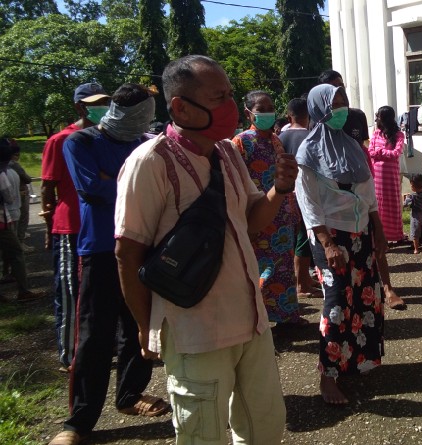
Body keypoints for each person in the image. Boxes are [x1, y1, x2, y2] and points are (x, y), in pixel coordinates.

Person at [115, 55, 291, 444]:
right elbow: (127, 254)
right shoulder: (149, 162)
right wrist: (145, 328)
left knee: (264, 427)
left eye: (231, 95)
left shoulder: (227, 153)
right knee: (202, 435)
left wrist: (280, 188)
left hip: (252, 321)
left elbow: (250, 219)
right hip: (195, 333)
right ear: (180, 107)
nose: (231, 106)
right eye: (219, 97)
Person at [48, 84, 167, 445]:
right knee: (94, 337)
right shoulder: (80, 142)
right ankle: (78, 423)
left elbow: (157, 188)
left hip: (145, 247)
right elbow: (90, 189)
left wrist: (114, 180)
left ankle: (131, 396)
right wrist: (134, 185)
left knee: (140, 329)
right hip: (100, 250)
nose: (142, 121)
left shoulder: (148, 142)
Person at [294, 83, 387, 405]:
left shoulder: (351, 145)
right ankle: (327, 376)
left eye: (344, 102)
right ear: (319, 108)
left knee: (365, 299)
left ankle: (355, 361)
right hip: (330, 235)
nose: (341, 109)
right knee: (336, 303)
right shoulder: (308, 150)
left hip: (360, 234)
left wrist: (378, 230)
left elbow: (368, 194)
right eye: (334, 104)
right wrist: (327, 243)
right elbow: (307, 203)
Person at [319, 69, 406, 310]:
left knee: (375, 241)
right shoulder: (316, 122)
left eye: (342, 87)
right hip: (332, 195)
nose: (341, 94)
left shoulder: (356, 116)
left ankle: (387, 288)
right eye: (333, 88)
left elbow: (365, 149)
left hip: (362, 187)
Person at [41, 82, 109, 371]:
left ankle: (101, 348)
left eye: (105, 102)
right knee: (71, 293)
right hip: (70, 227)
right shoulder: (61, 140)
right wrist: (48, 228)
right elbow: (47, 188)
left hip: (102, 226)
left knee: (101, 293)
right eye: (94, 103)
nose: (102, 108)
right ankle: (70, 355)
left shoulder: (105, 138)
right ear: (80, 107)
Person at [232, 90, 307, 326]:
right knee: (261, 272)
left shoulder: (276, 139)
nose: (268, 113)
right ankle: (258, 322)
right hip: (258, 217)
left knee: (283, 269)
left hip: (282, 216)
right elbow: (236, 183)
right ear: (248, 113)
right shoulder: (241, 142)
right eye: (261, 109)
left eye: (271, 107)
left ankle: (287, 316)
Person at [280, 97, 322, 298]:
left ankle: (302, 279)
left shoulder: (279, 137)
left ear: (289, 115)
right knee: (304, 239)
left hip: (282, 194)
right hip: (303, 194)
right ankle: (301, 284)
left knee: (294, 238)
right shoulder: (310, 136)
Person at [0, 138, 43, 302]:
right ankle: (23, 291)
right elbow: (9, 198)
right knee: (16, 251)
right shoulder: (3, 174)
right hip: (3, 219)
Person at [369, 105, 406, 243]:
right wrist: (382, 153)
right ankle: (380, 236)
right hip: (377, 176)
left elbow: (396, 153)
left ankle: (394, 235)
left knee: (393, 204)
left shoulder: (398, 135)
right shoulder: (376, 133)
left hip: (391, 177)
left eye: (380, 116)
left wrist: (380, 152)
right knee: (378, 205)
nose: (378, 118)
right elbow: (370, 152)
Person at [403, 173, 422, 254]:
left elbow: (406, 204)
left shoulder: (412, 196)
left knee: (415, 233)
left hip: (415, 217)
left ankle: (416, 249)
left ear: (412, 186)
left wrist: (406, 199)